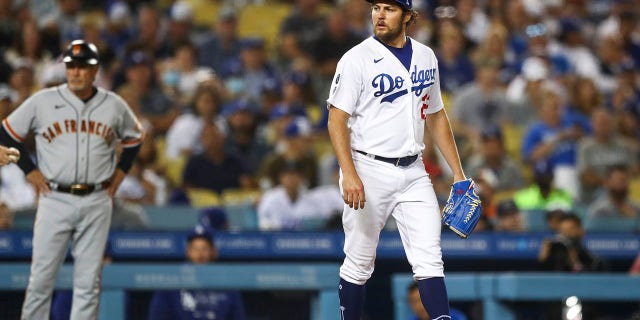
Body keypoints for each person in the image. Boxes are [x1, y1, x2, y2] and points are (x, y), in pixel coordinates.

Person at [326, 1, 468, 318]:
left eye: (389, 9)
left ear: (407, 16)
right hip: (367, 167)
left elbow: (436, 114)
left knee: (430, 258)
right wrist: (349, 173)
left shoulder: (426, 56)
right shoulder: (356, 59)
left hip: (414, 170)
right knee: (360, 261)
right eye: (376, 7)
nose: (379, 14)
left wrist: (458, 173)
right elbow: (336, 119)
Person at [0, 40, 144, 319]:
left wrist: (120, 174)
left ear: (95, 70)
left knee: (88, 283)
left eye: (82, 66)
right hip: (55, 197)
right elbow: (6, 133)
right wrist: (29, 169)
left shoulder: (113, 104)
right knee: (41, 279)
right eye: (71, 66)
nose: (76, 72)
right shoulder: (43, 101)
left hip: (97, 199)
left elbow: (135, 139)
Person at [147, 226, 246, 320]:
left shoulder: (226, 285)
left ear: (214, 252)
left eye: (205, 249)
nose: (200, 254)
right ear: (188, 252)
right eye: (195, 249)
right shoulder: (171, 284)